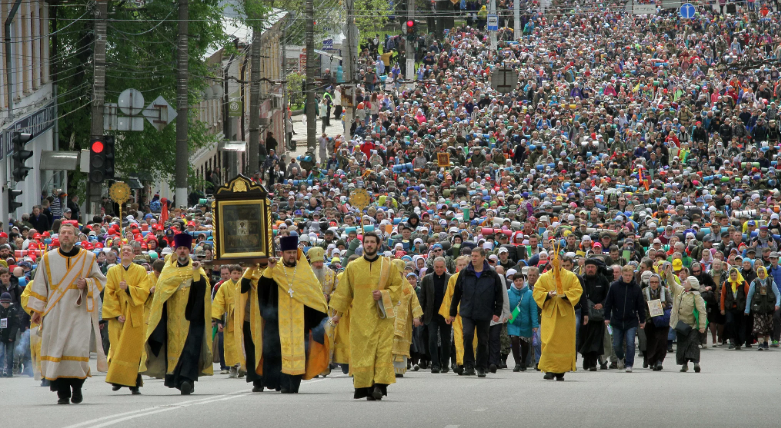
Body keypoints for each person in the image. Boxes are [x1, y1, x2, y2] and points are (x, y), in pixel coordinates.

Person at [27, 223, 107, 404]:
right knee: (57, 351)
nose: (66, 236)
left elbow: (101, 280)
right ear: (58, 236)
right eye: (63, 233)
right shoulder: (48, 259)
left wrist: (87, 283)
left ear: (76, 237)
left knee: (76, 350)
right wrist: (37, 311)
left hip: (79, 313)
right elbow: (40, 285)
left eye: (69, 233)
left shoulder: (88, 258)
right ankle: (62, 393)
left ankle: (77, 388)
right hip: (55, 312)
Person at [239, 235, 330, 393]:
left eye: (294, 252)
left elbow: (315, 296)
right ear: (282, 253)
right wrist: (270, 269)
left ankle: (293, 383)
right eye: (288, 252)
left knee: (300, 352)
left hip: (300, 321)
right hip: (277, 321)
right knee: (277, 352)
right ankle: (281, 382)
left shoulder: (304, 271)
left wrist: (318, 317)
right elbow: (263, 289)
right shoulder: (275, 269)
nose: (292, 255)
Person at [330, 232, 405, 401]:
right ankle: (366, 387)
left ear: (378, 245)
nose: (369, 245)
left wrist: (384, 294)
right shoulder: (353, 266)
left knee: (382, 352)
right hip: (360, 318)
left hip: (382, 318)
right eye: (367, 242)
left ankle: (379, 386)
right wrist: (338, 315)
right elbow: (344, 293)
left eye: (373, 242)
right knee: (363, 353)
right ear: (363, 245)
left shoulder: (388, 266)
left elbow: (397, 287)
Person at [141, 233, 212, 395]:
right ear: (175, 250)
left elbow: (203, 289)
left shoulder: (196, 267)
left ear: (189, 250)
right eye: (179, 248)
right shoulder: (168, 270)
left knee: (191, 348)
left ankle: (187, 380)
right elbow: (160, 293)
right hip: (172, 319)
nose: (182, 251)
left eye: (185, 249)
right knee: (174, 350)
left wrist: (195, 273)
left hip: (191, 318)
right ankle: (178, 380)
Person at [448, 247, 505, 377]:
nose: (473, 258)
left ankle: (481, 366)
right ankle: (469, 365)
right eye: (472, 256)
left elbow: (499, 295)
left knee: (483, 340)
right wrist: (452, 312)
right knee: (467, 336)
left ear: (483, 257)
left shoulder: (491, 274)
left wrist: (497, 312)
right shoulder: (465, 273)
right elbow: (457, 294)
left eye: (476, 256)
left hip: (485, 312)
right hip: (467, 311)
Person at [102, 245, 151, 394]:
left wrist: (129, 288)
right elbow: (109, 294)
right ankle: (117, 378)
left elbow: (144, 291)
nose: (126, 252)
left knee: (133, 350)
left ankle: (134, 383)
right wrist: (117, 314)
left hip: (134, 314)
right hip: (118, 317)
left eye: (129, 251)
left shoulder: (141, 271)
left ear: (134, 255)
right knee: (117, 348)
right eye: (124, 251)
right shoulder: (113, 271)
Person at [532, 245, 582, 381]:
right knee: (548, 341)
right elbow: (537, 292)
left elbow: (577, 290)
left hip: (565, 315)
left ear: (561, 261)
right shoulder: (543, 277)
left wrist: (565, 295)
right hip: (550, 313)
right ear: (549, 261)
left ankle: (561, 370)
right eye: (552, 259)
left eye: (557, 259)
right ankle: (549, 368)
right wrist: (547, 294)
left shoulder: (571, 276)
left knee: (564, 342)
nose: (555, 261)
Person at [604, 265, 646, 372]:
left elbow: (641, 305)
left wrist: (642, 320)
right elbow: (608, 303)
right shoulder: (614, 286)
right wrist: (607, 317)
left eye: (630, 275)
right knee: (617, 344)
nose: (628, 277)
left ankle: (629, 364)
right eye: (626, 275)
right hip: (617, 319)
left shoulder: (636, 288)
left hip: (631, 320)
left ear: (633, 276)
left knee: (630, 342)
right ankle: (620, 357)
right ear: (621, 275)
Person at [438, 255, 476, 374]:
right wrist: (448, 314)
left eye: (464, 265)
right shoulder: (453, 279)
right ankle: (460, 362)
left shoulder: (473, 277)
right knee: (458, 338)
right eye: (460, 265)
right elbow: (449, 297)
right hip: (457, 314)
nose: (462, 267)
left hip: (471, 313)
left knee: (471, 338)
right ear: (456, 267)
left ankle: (470, 361)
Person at [666, 267, 707, 373]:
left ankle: (696, 363)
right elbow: (672, 283)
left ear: (692, 284)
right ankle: (684, 364)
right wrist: (669, 273)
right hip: (681, 324)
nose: (684, 282)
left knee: (693, 343)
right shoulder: (680, 291)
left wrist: (702, 326)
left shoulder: (697, 297)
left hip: (692, 325)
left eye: (687, 281)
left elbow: (702, 312)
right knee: (681, 344)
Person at [391, 259, 423, 377]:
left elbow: (414, 302)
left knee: (401, 345)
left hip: (403, 321)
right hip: (387, 320)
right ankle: (388, 370)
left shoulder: (407, 287)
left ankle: (399, 370)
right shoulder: (385, 284)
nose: (397, 275)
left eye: (400, 273)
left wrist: (416, 317)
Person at [419, 256, 451, 373]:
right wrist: (420, 315)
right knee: (432, 339)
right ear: (433, 267)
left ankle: (445, 363)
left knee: (446, 339)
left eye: (441, 267)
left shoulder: (450, 278)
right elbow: (422, 298)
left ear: (445, 267)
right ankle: (435, 364)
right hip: (431, 314)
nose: (439, 269)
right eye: (437, 267)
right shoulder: (427, 279)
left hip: (445, 314)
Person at [211, 265, 243, 378]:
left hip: (242, 318)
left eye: (239, 273)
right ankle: (233, 367)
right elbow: (219, 303)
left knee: (241, 343)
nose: (237, 276)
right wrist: (219, 321)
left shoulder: (244, 284)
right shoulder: (224, 286)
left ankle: (242, 365)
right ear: (230, 274)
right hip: (229, 319)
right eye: (234, 273)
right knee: (230, 344)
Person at [578, 258, 609, 371]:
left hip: (598, 316)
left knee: (596, 340)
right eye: (588, 267)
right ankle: (587, 360)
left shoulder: (603, 280)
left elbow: (608, 296)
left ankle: (593, 363)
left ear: (596, 269)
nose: (590, 269)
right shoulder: (581, 280)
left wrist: (602, 304)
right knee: (585, 339)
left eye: (592, 267)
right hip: (585, 316)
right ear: (584, 268)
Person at [507, 273, 538, 372]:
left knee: (524, 343)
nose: (518, 283)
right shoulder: (508, 293)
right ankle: (517, 363)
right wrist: (506, 314)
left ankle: (523, 362)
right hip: (513, 322)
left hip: (526, 322)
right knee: (514, 340)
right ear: (513, 282)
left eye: (520, 280)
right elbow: (505, 306)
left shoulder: (529, 293)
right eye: (516, 281)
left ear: (524, 281)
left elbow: (533, 310)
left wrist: (535, 325)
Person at [745, 266, 780, 350]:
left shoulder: (771, 282)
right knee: (759, 327)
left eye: (763, 272)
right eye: (759, 272)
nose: (761, 274)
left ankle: (766, 342)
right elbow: (749, 296)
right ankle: (760, 343)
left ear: (765, 273)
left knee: (768, 326)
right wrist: (747, 309)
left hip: (769, 308)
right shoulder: (754, 282)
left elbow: (777, 294)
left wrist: (777, 304)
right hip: (758, 308)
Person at [642, 274, 673, 371]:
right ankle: (652, 360)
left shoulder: (665, 291)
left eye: (656, 282)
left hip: (662, 320)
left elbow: (671, 303)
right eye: (652, 282)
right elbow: (640, 304)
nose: (654, 284)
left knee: (662, 340)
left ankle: (659, 361)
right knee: (651, 341)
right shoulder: (644, 292)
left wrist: (665, 305)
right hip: (649, 320)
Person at [720, 267, 750, 350]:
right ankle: (732, 340)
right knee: (730, 322)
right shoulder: (726, 283)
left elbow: (748, 296)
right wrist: (722, 308)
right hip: (730, 307)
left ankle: (738, 342)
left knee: (740, 325)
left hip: (741, 308)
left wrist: (747, 308)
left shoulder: (743, 283)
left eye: (735, 275)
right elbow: (723, 296)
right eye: (732, 275)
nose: (733, 277)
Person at [0, 292, 19, 377]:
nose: (5, 304)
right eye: (4, 302)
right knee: (1, 352)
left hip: (10, 336)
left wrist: (11, 336)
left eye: (7, 303)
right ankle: (0, 370)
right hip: (1, 335)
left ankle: (9, 370)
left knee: (10, 354)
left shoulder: (14, 310)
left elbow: (16, 324)